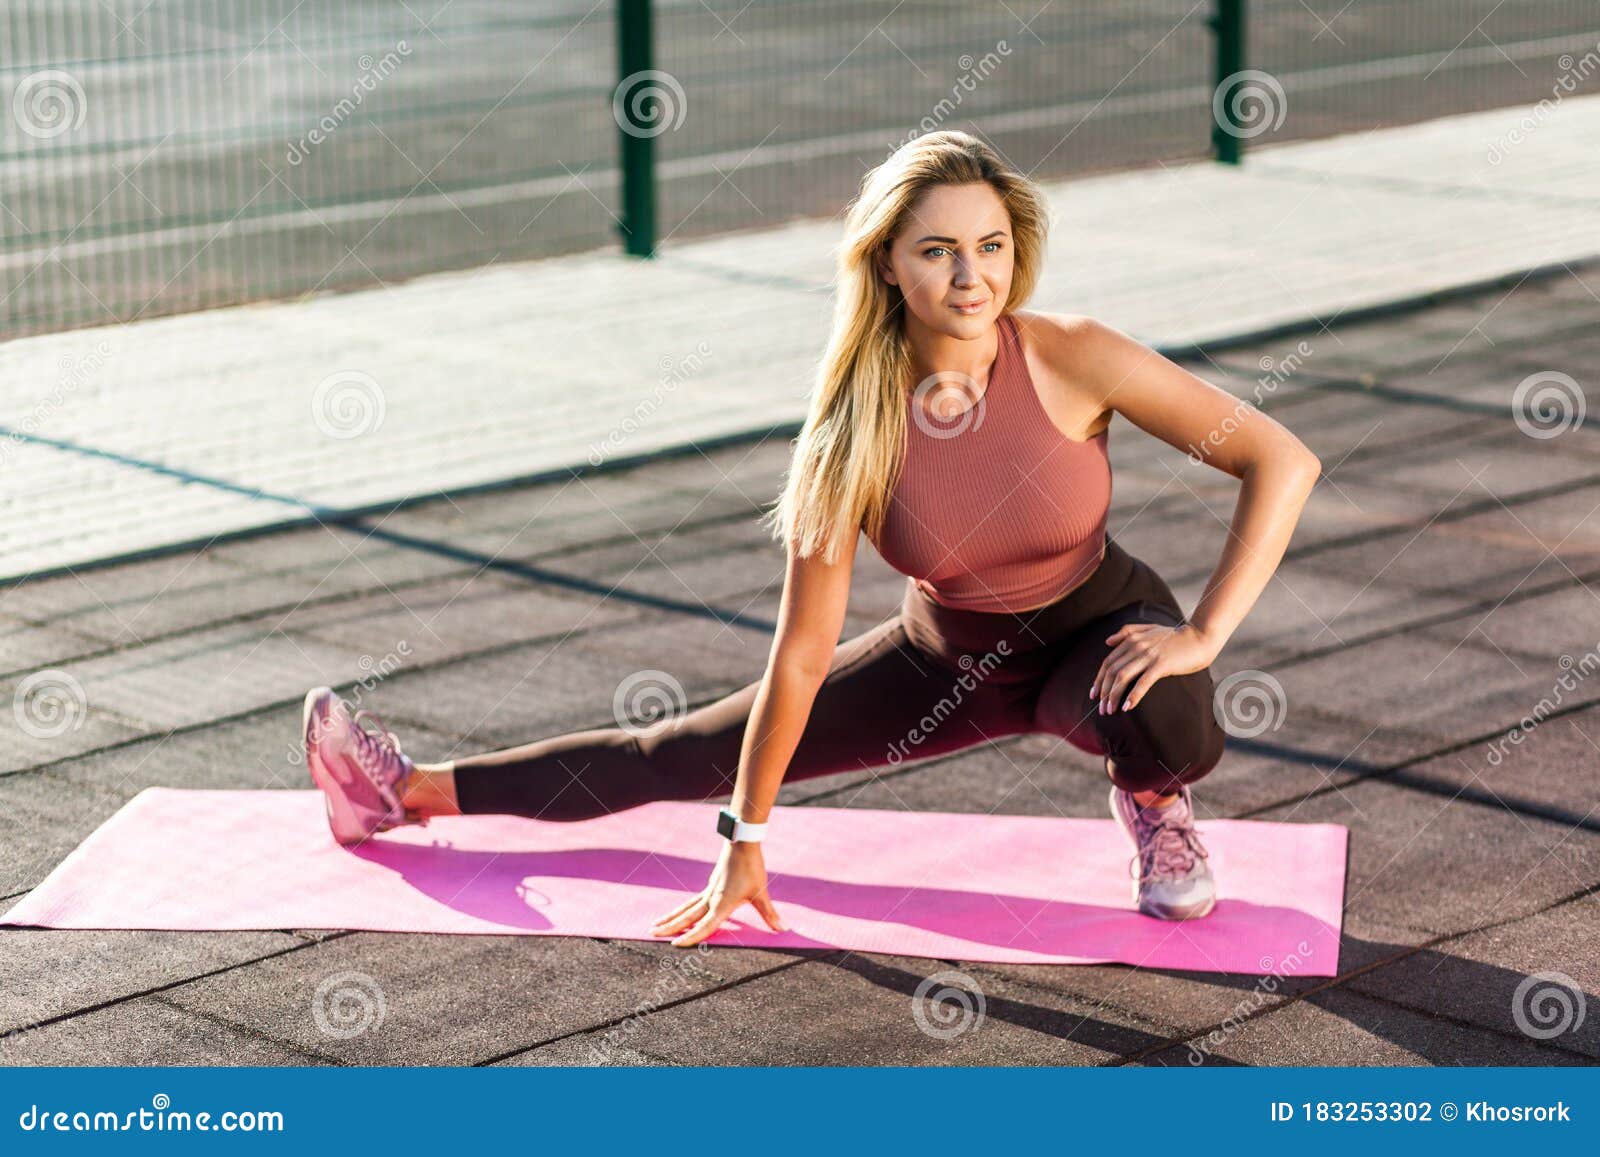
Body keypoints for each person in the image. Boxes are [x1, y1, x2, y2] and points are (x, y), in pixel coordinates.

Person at [302, 130, 1320, 945]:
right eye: (938, 249)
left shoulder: (1073, 354)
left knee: (1162, 702)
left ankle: (1152, 801)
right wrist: (746, 836)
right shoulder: (852, 433)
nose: (972, 276)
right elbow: (798, 651)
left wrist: (1204, 633)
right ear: (886, 262)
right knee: (677, 750)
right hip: (945, 657)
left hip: (1095, 629)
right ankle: (403, 793)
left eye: (991, 245)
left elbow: (1280, 459)